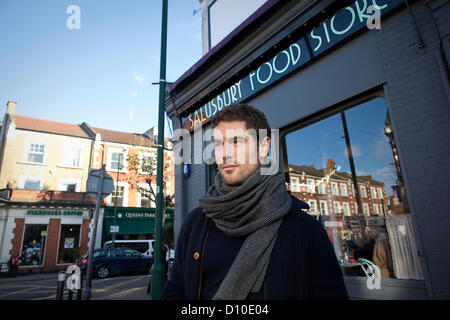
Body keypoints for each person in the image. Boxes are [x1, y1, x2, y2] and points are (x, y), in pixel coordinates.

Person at [161, 104, 348, 300]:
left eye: (236, 141)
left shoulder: (304, 231)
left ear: (263, 147)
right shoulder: (195, 224)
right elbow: (175, 289)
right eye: (218, 144)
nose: (224, 154)